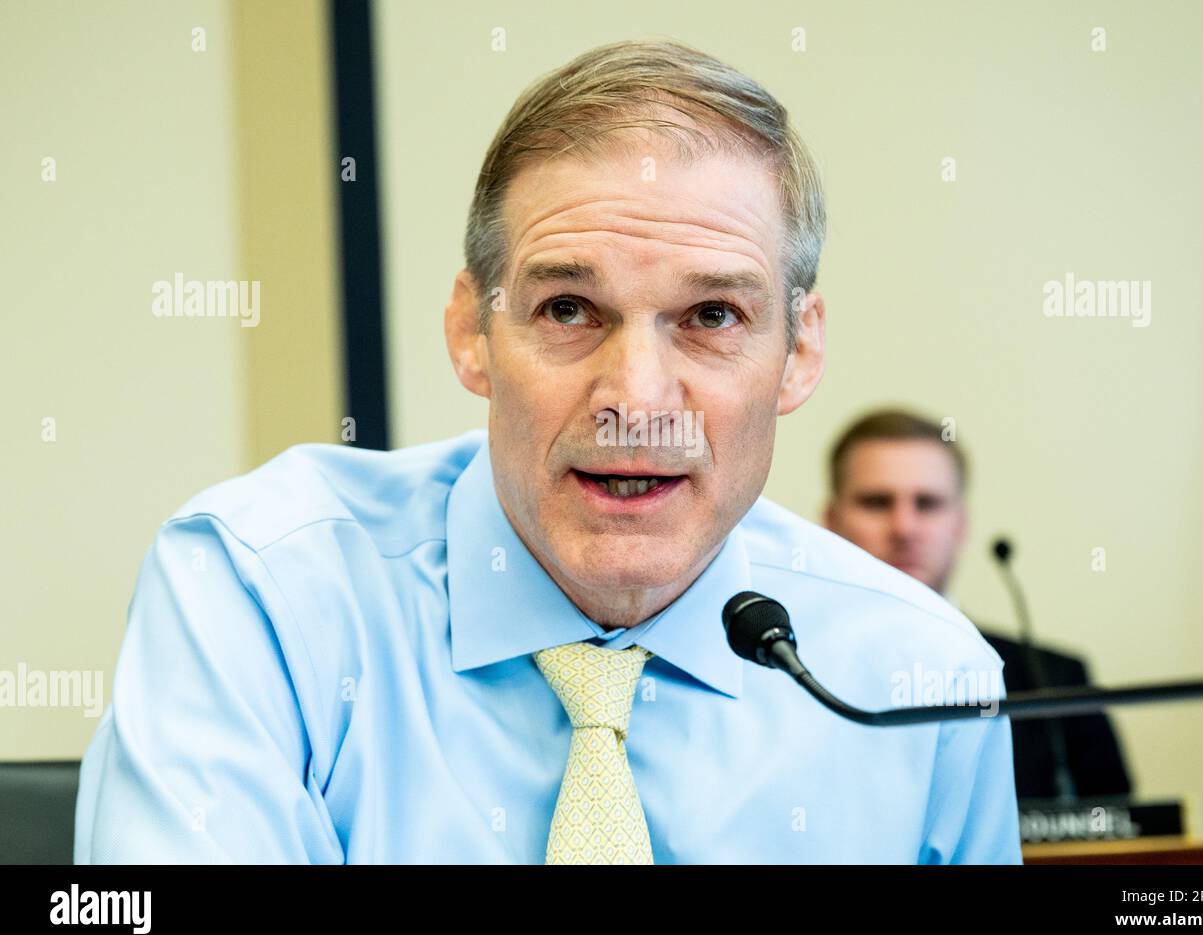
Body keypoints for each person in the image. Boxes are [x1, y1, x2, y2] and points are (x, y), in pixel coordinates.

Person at [74, 40, 1020, 864]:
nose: (638, 400)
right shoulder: (259, 595)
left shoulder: (921, 681)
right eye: (568, 309)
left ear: (798, 352)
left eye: (713, 316)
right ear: (469, 331)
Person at [823, 409, 1134, 801]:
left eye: (928, 503)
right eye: (877, 502)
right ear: (830, 522)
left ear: (960, 525)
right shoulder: (776, 670)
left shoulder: (1053, 682)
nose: (904, 527)